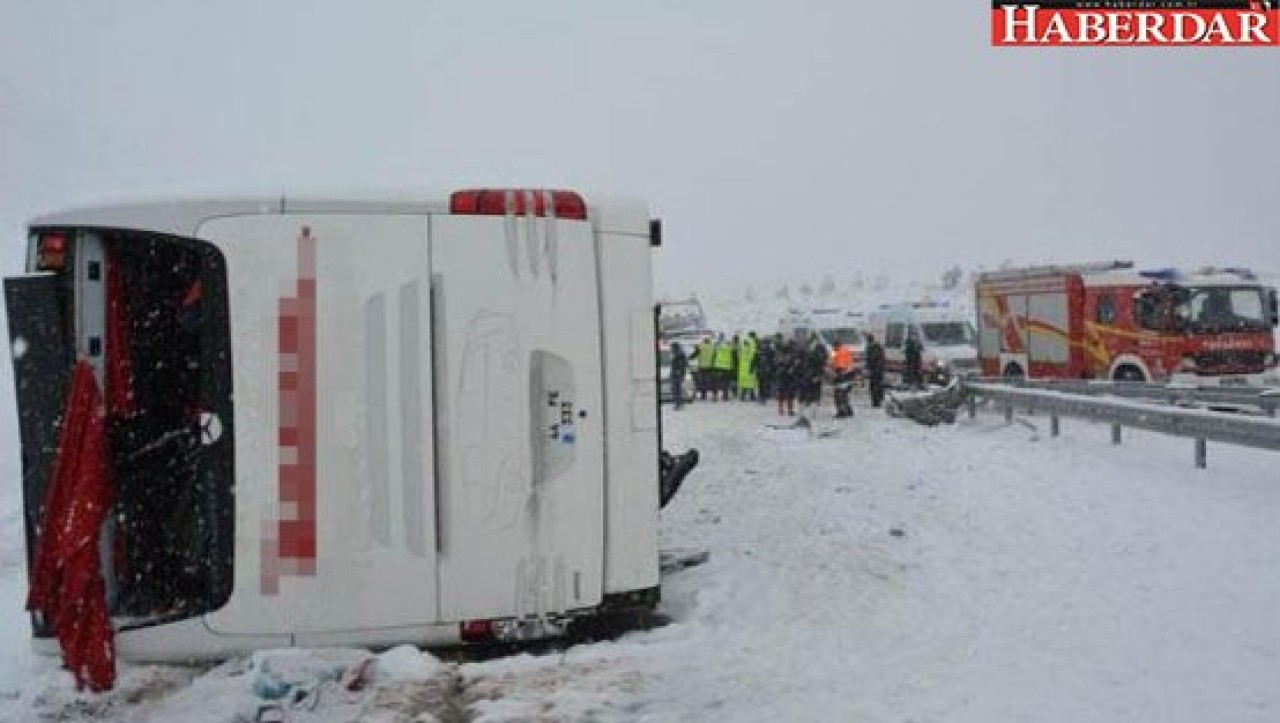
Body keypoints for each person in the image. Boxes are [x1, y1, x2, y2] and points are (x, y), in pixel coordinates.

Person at [830, 340, 855, 418]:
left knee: (839, 394)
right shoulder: (842, 350)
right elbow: (832, 360)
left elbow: (840, 366)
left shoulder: (841, 352)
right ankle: (848, 410)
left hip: (843, 375)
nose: (833, 348)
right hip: (849, 374)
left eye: (834, 347)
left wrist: (837, 376)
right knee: (844, 394)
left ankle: (841, 412)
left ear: (837, 346)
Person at [864, 332, 886, 408]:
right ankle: (879, 399)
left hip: (875, 369)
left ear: (868, 340)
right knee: (879, 384)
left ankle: (876, 401)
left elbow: (871, 359)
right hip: (880, 369)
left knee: (874, 385)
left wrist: (868, 368)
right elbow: (882, 357)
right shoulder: (878, 346)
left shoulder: (870, 347)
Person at [713, 333, 735, 401]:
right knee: (726, 382)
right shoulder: (730, 346)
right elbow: (733, 355)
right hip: (727, 367)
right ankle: (725, 396)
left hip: (719, 366)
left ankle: (715, 396)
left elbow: (714, 354)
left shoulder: (717, 345)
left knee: (717, 382)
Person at [738, 332, 759, 401]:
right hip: (750, 364)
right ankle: (752, 396)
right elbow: (753, 353)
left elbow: (739, 353)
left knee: (744, 381)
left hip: (742, 364)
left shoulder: (743, 342)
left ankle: (742, 396)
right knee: (751, 381)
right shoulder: (752, 342)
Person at [669, 341, 688, 410]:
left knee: (676, 389)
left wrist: (678, 372)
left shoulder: (679, 355)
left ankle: (678, 404)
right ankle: (679, 403)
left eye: (672, 347)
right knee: (677, 389)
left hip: (677, 375)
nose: (671, 349)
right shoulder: (678, 354)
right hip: (677, 374)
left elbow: (681, 365)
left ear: (675, 347)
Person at [696, 336, 715, 400]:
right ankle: (711, 394)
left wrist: (689, 358)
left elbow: (695, 354)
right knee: (709, 381)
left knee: (702, 381)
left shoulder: (700, 347)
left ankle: (703, 395)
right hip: (709, 367)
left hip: (701, 367)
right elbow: (714, 356)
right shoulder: (712, 347)